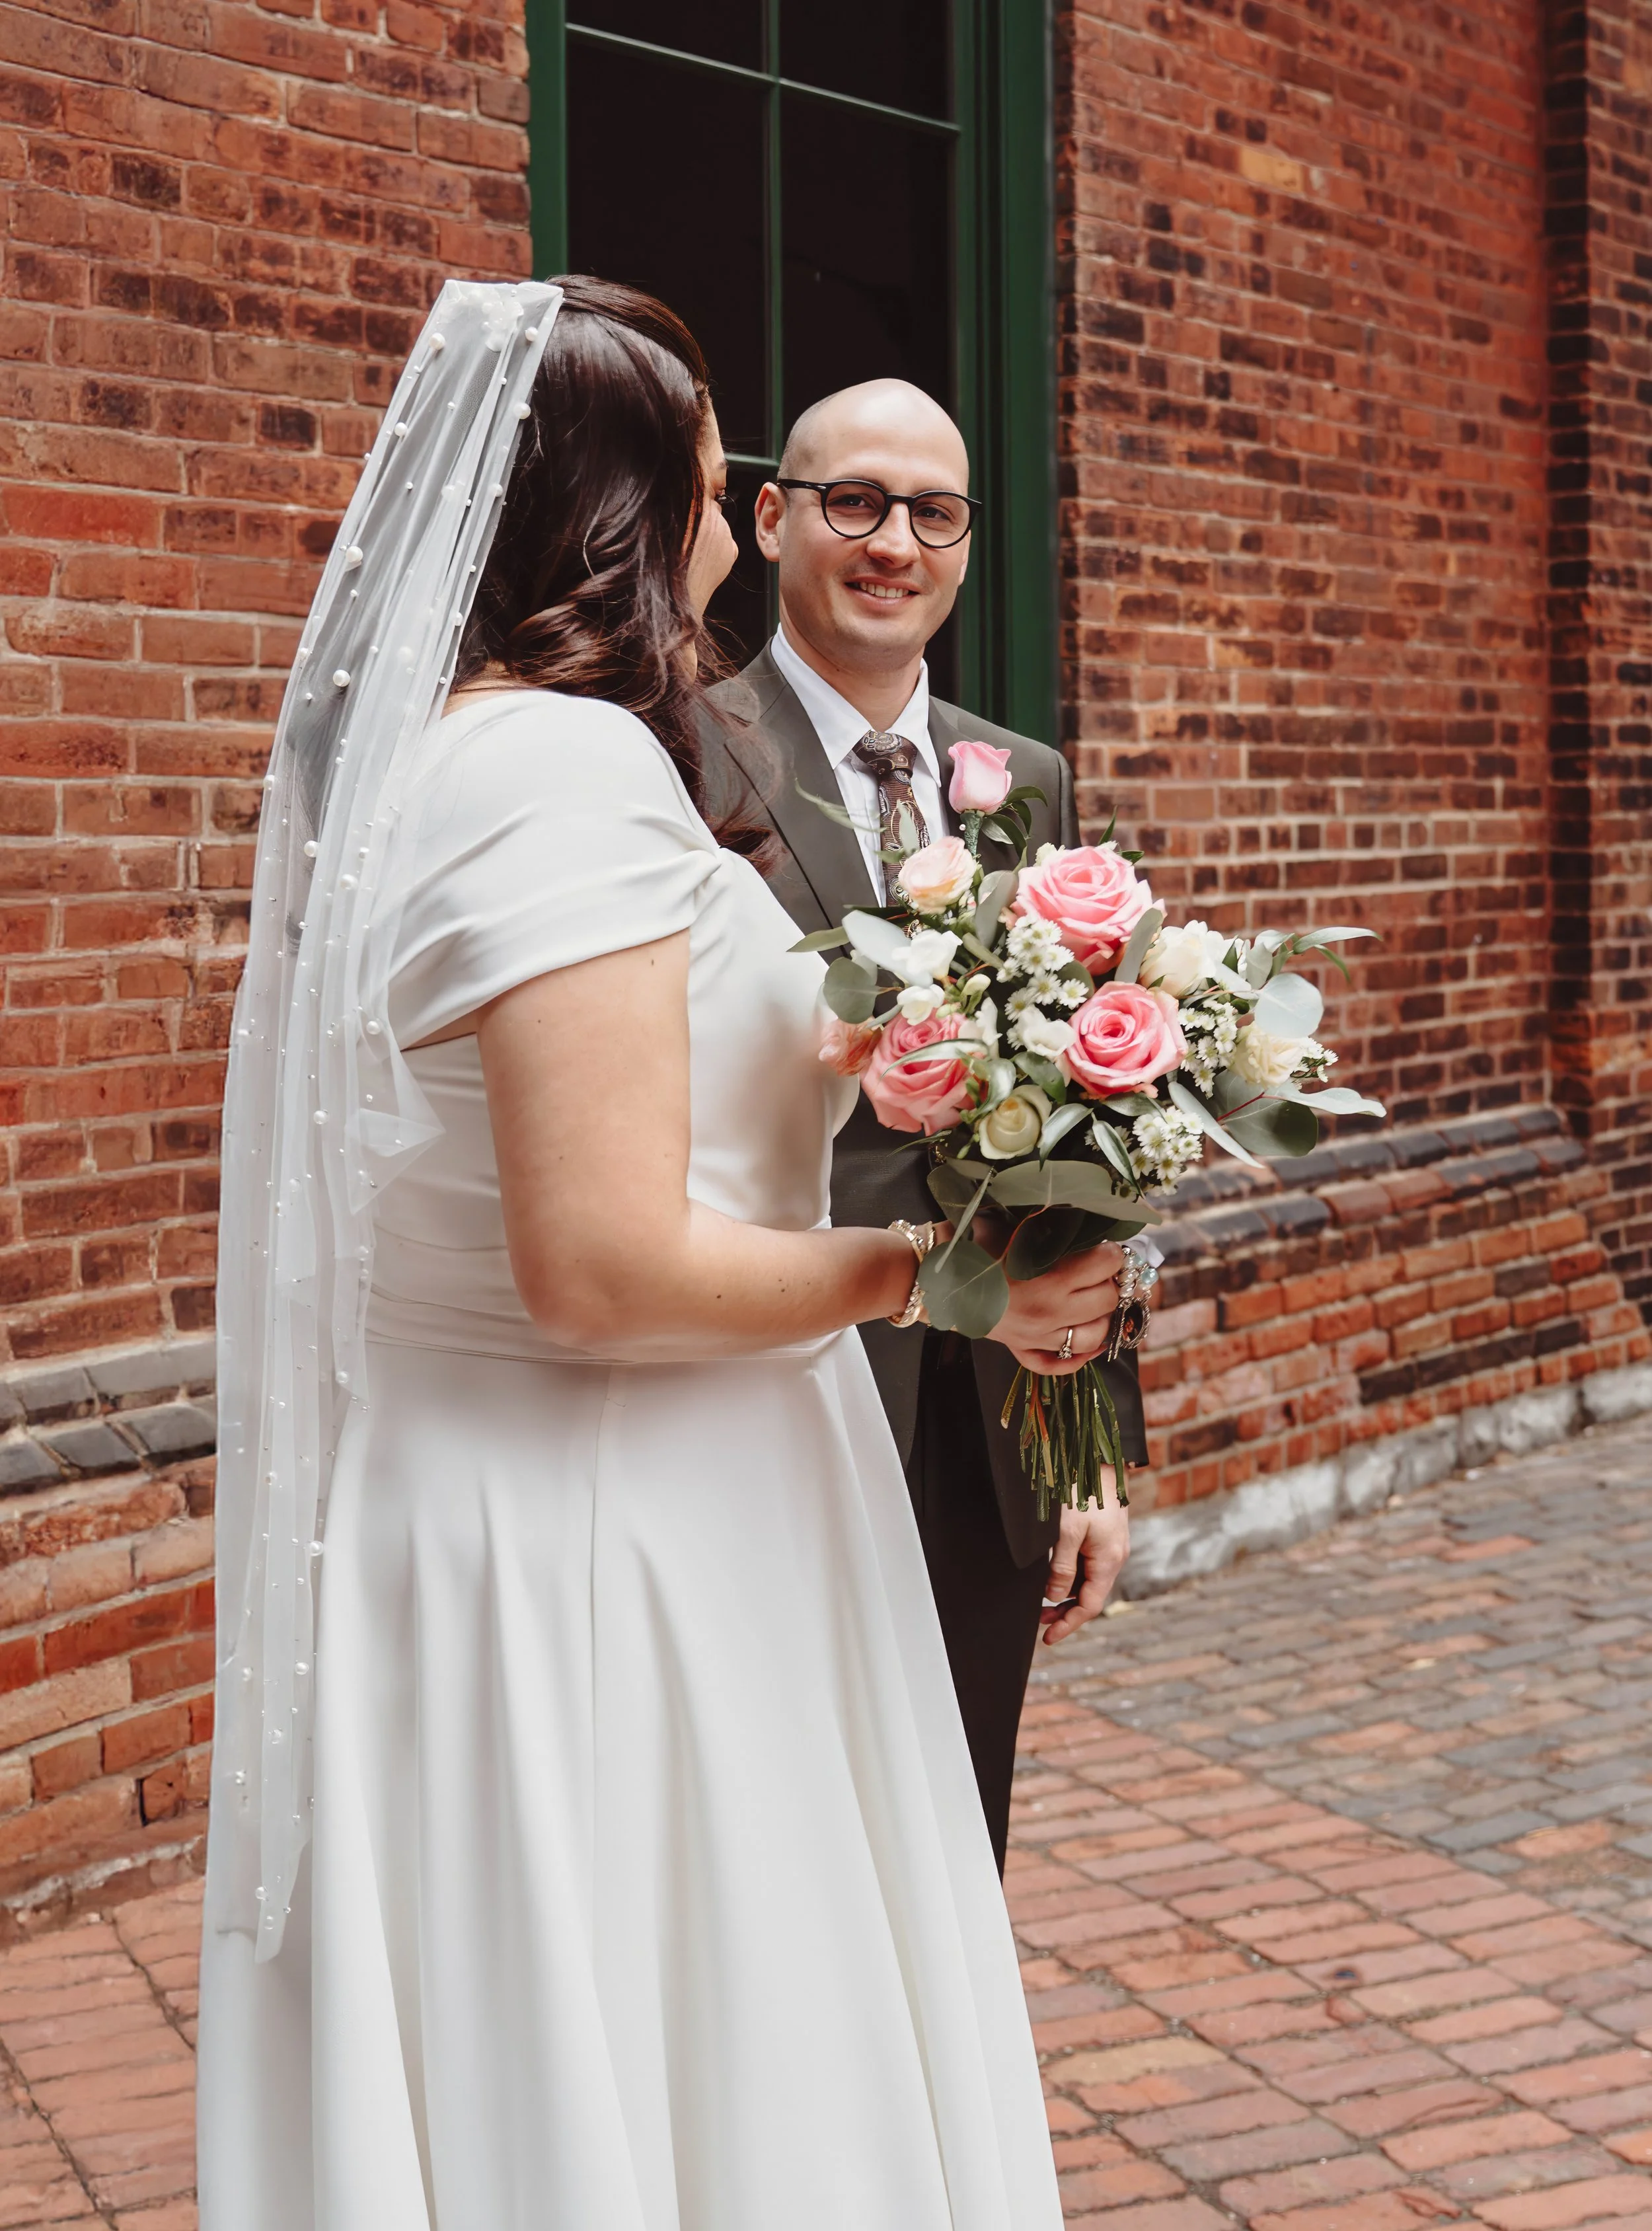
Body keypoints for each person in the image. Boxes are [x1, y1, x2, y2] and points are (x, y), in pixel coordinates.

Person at [197, 278, 1063, 2229]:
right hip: (614, 1526)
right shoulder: (559, 771)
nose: (721, 494)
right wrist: (929, 1279)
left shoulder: (441, 758)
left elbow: (576, 1089)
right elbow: (593, 1264)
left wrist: (843, 1063)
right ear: (620, 494)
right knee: (697, 2038)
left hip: (554, 1499)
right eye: (707, 459)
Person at [703, 381, 1149, 1870]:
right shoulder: (676, 757)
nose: (894, 541)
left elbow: (1090, 1116)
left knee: (955, 1826)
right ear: (769, 520)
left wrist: (1089, 1444)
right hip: (765, 1387)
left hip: (988, 1407)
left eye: (933, 512)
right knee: (768, 1833)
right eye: (854, 502)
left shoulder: (1020, 779)